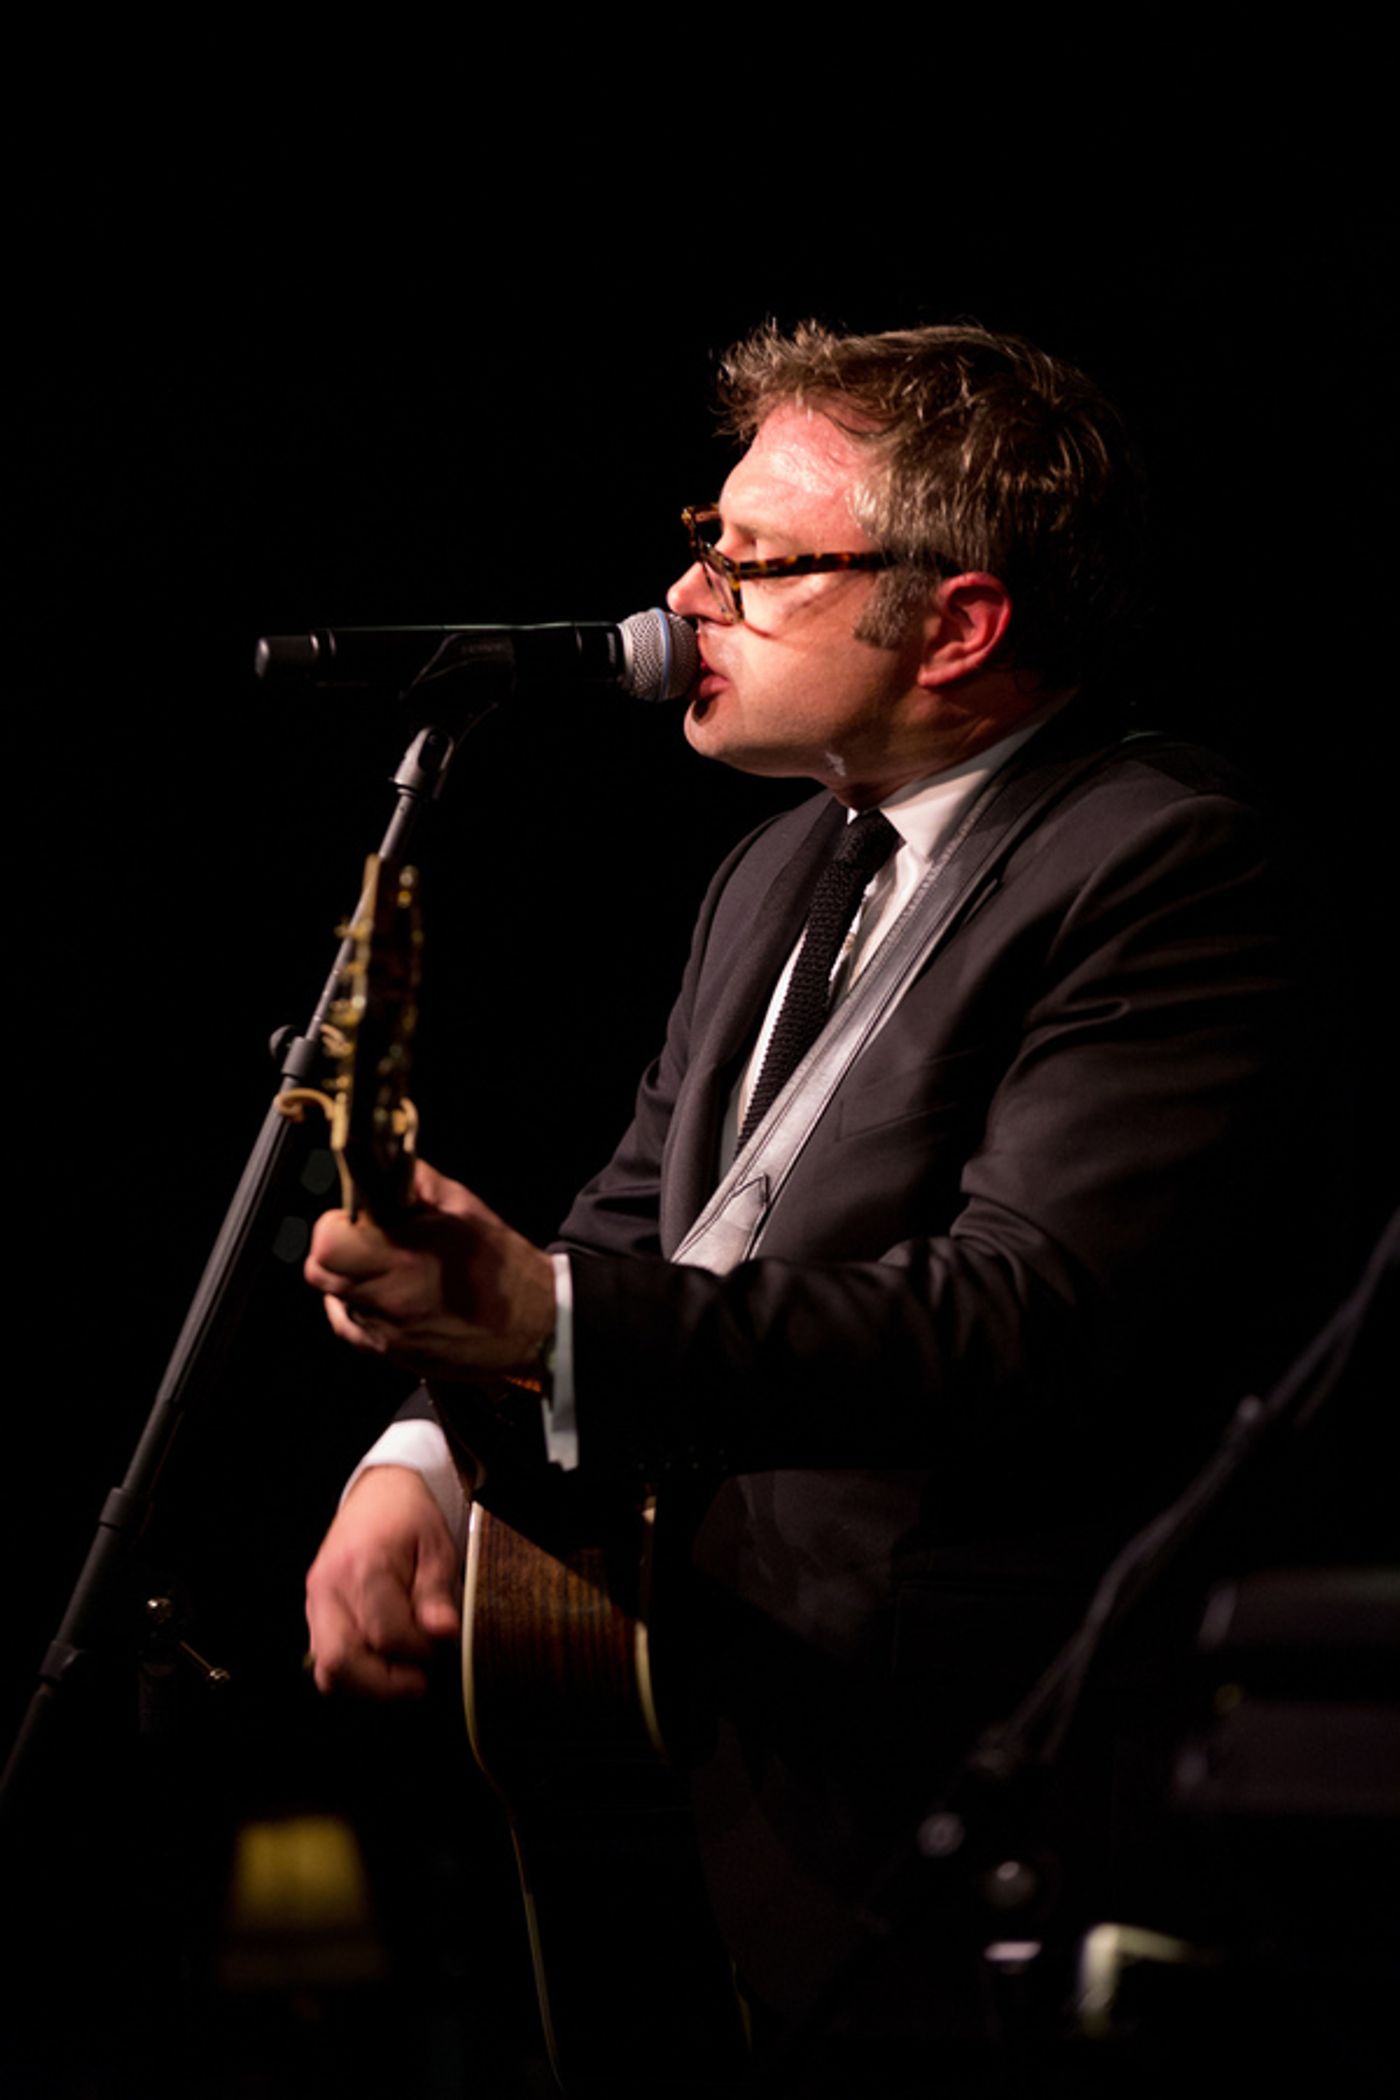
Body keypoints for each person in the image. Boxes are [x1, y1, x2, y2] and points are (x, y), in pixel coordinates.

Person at [302, 323, 1312, 2084]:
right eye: (708, 539)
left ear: (960, 623)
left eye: (755, 561)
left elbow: (1017, 1317)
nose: (687, 595)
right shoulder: (781, 859)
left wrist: (539, 1327)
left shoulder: (1164, 864)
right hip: (712, 1762)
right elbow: (642, 1218)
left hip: (963, 1786)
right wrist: (425, 1457)